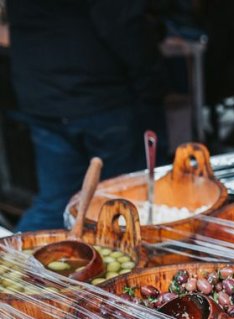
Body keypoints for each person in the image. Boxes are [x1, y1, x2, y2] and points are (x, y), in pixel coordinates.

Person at [8, 0, 166, 231]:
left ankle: (12, 258)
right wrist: (151, 81)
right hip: (100, 96)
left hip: (44, 93)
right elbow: (122, 21)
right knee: (127, 201)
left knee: (56, 203)